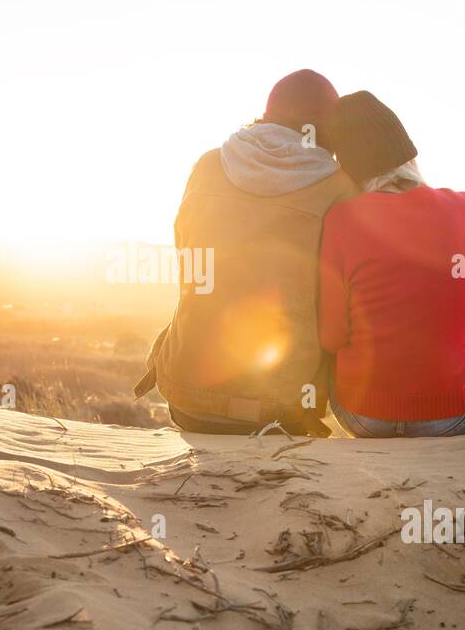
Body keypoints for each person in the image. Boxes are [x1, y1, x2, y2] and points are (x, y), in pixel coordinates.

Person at [135, 70, 357, 435]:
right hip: (280, 410)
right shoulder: (339, 186)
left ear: (267, 115)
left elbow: (188, 260)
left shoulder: (208, 165)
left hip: (186, 400)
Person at [318, 91, 465, 437]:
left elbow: (331, 337)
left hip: (363, 417)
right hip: (461, 415)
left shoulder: (341, 220)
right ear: (409, 156)